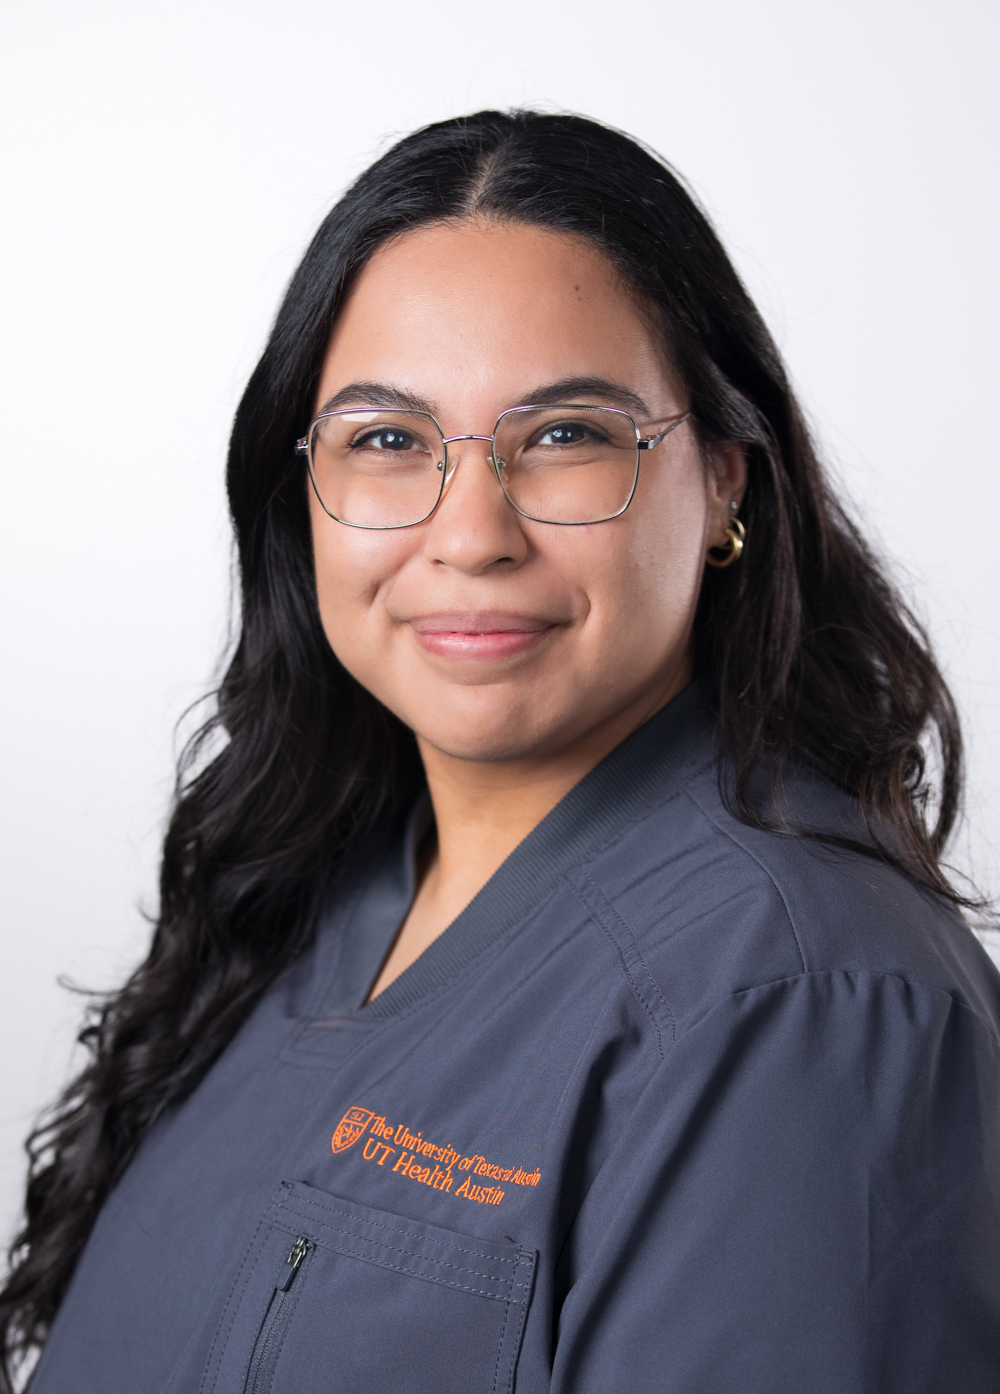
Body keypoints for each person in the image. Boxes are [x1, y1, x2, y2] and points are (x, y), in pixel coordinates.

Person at [3, 109, 999, 1393]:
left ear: (724, 482)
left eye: (567, 434)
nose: (470, 533)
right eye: (386, 439)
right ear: (301, 490)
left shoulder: (803, 1007)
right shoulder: (304, 887)